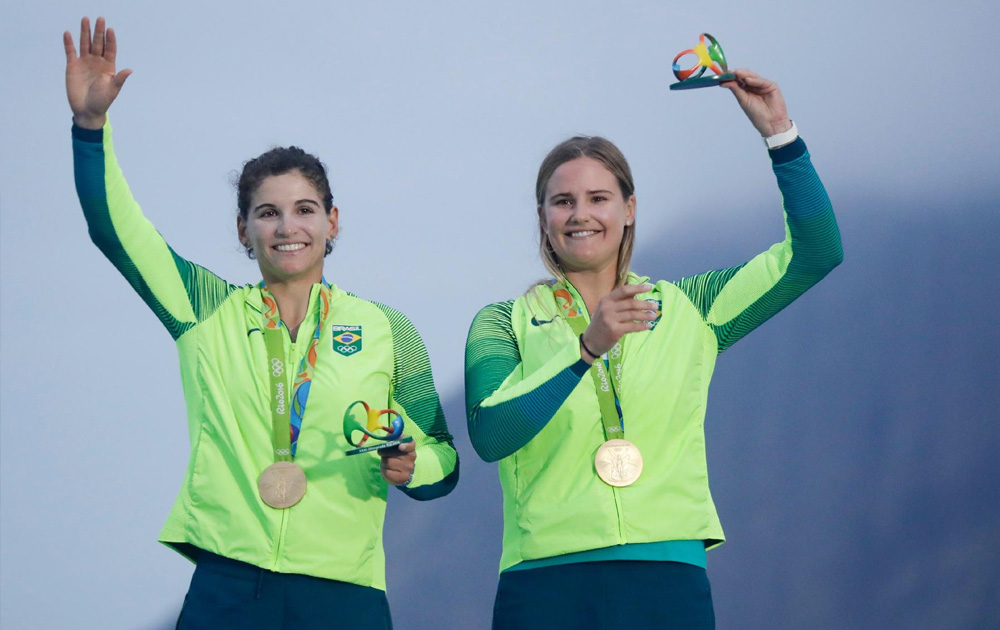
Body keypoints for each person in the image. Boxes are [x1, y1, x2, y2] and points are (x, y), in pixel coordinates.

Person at [65, 17, 458, 629]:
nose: (287, 227)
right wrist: (91, 127)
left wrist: (414, 464)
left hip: (345, 594)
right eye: (267, 213)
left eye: (304, 210)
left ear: (332, 221)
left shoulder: (386, 328)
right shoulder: (205, 309)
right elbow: (116, 233)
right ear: (244, 231)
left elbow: (445, 461)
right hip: (229, 585)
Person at [464, 67, 843, 628]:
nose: (580, 214)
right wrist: (586, 348)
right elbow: (492, 435)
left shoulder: (691, 307)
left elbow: (815, 252)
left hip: (666, 574)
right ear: (543, 219)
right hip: (545, 580)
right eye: (562, 201)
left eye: (598, 197)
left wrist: (780, 135)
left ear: (630, 208)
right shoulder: (502, 323)